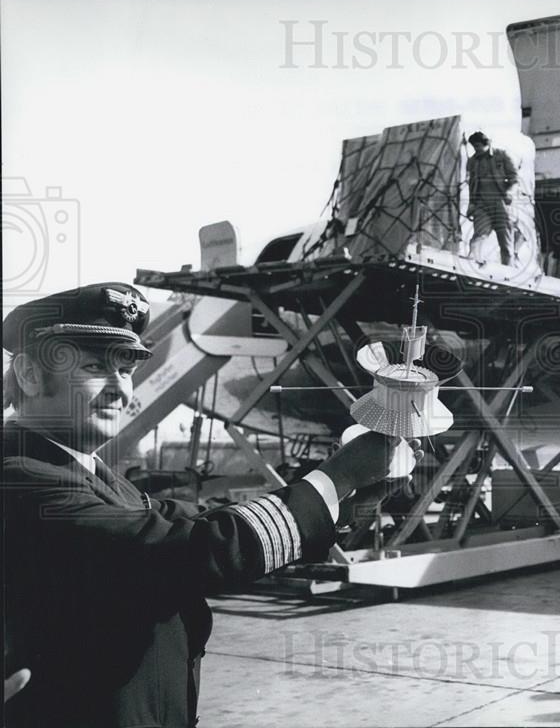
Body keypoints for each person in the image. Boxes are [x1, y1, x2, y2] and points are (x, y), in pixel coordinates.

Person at [1, 283, 418, 727]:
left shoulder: (83, 470)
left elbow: (185, 519)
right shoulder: (20, 476)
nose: (118, 391)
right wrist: (338, 476)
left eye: (124, 370)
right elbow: (185, 550)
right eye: (92, 367)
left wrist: (344, 502)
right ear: (29, 374)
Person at [466, 131, 518, 266]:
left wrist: (510, 193)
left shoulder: (501, 155)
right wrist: (471, 204)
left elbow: (514, 178)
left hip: (499, 202)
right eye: (474, 147)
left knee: (505, 240)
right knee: (479, 233)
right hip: (482, 204)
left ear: (486, 144)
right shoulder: (472, 161)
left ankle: (509, 269)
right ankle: (472, 262)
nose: (476, 149)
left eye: (478, 146)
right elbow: (471, 184)